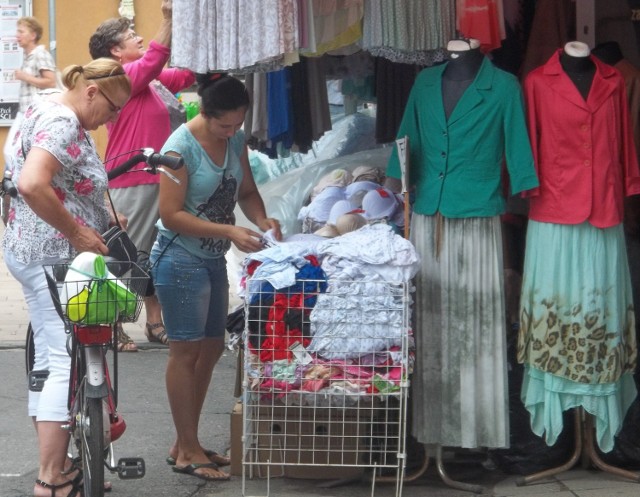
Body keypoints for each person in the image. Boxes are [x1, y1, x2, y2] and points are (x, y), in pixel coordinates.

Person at [385, 38, 538, 456]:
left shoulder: (504, 86)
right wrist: (389, 189)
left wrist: (525, 186)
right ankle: (432, 440)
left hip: (477, 216)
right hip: (427, 214)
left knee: (476, 328)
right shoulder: (425, 82)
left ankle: (476, 437)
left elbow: (517, 143)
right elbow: (407, 138)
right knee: (429, 326)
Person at [2, 58, 130, 497]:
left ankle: (58, 467)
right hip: (53, 257)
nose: (112, 120)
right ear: (91, 92)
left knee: (47, 360)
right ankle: (51, 478)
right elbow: (32, 182)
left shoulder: (43, 104)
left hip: (27, 248)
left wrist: (101, 213)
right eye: (112, 109)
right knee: (62, 361)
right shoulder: (63, 121)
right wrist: (76, 230)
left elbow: (54, 180)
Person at [150, 73, 282, 481]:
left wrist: (262, 219)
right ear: (205, 114)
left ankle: (185, 442)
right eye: (224, 126)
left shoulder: (235, 141)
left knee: (209, 351)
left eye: (237, 125)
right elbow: (170, 215)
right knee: (185, 353)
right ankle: (187, 449)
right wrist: (229, 231)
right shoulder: (178, 148)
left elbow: (245, 191)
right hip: (179, 260)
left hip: (211, 259)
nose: (231, 132)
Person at [518, 41, 640, 452]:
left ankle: (597, 419)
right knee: (558, 309)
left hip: (604, 213)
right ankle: (563, 425)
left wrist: (627, 186)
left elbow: (623, 142)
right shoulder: (537, 82)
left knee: (600, 310)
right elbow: (527, 146)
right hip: (553, 213)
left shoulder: (613, 81)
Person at [89, 0, 195, 351]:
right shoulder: (118, 78)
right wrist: (168, 20)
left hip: (157, 176)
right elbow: (154, 58)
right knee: (125, 257)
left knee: (151, 255)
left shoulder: (148, 79)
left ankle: (153, 322)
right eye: (132, 35)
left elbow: (182, 75)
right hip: (131, 178)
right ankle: (111, 325)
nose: (140, 38)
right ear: (116, 51)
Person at [3, 16, 58, 182]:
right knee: (12, 151)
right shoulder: (29, 56)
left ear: (33, 35)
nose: (17, 35)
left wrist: (25, 77)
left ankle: (24, 184)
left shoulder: (40, 54)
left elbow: (51, 81)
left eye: (21, 31)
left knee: (14, 151)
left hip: (35, 113)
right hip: (25, 113)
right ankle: (20, 184)